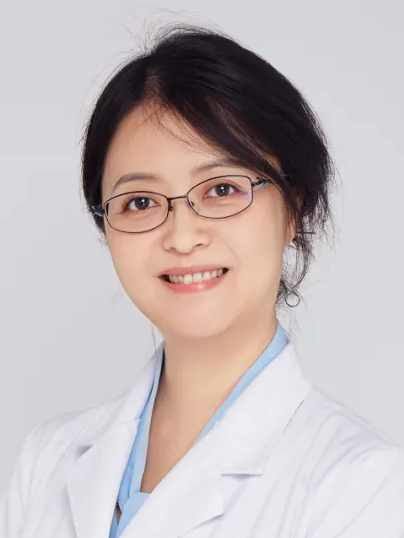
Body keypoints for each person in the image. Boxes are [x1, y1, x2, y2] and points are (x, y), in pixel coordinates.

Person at [1, 23, 404, 538]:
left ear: (291, 210)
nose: (183, 236)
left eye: (222, 189)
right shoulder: (47, 460)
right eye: (140, 201)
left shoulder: (361, 487)